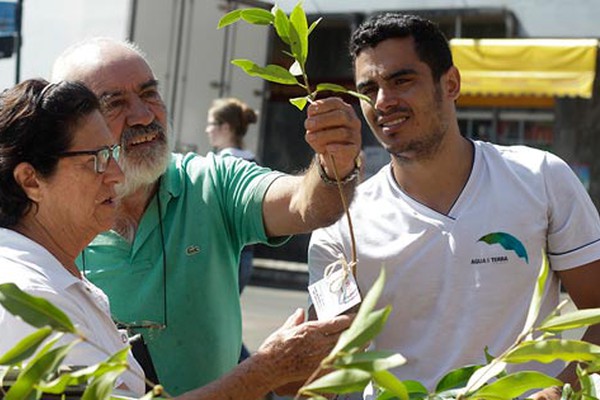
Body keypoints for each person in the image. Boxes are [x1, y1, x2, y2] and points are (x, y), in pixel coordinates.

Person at [0, 78, 353, 399]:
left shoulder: (55, 280)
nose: (115, 173)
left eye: (149, 93)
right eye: (96, 160)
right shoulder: (30, 300)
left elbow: (305, 204)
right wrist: (266, 370)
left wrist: (335, 165)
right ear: (31, 181)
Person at [307, 13, 600, 400]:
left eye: (401, 80)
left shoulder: (539, 178)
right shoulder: (341, 222)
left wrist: (558, 391)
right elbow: (322, 374)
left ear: (451, 83)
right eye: (368, 89)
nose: (383, 102)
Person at [205, 97, 259, 362]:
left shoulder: (222, 165)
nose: (208, 130)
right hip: (244, 255)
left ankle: (257, 377)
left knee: (212, 322)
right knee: (218, 320)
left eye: (211, 124)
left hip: (224, 255)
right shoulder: (253, 162)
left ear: (225, 127)